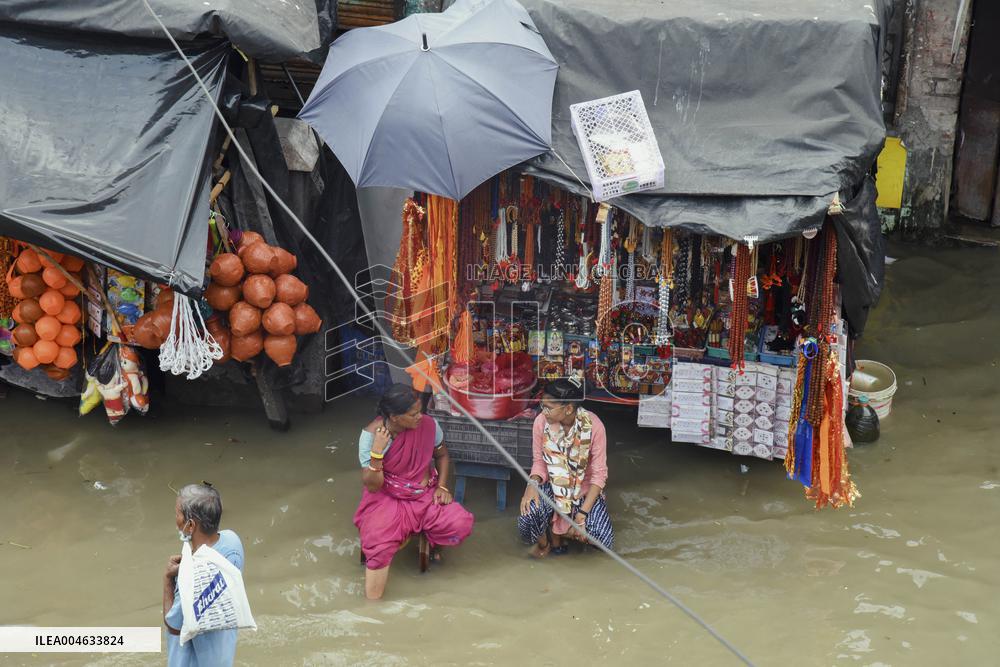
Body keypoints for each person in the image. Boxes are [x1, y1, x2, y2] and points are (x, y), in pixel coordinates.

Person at [354, 383, 474, 599]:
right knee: (378, 541)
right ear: (395, 417)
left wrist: (443, 486)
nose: (420, 417)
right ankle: (372, 607)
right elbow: (373, 485)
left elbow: (442, 455)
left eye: (420, 411)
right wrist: (377, 452)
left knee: (460, 522)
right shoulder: (371, 437)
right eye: (413, 414)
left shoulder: (429, 425)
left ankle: (433, 543)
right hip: (387, 497)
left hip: (424, 494)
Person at [518, 378, 614, 557]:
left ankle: (562, 531)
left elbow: (599, 475)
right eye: (542, 405)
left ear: (568, 408)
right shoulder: (541, 422)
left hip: (582, 489)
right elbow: (539, 461)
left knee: (603, 539)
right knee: (527, 515)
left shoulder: (594, 426)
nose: (543, 411)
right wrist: (531, 485)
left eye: (548, 407)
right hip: (552, 484)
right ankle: (545, 543)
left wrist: (582, 514)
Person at [163, 483, 244, 666]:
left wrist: (168, 578)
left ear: (190, 525)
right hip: (223, 656)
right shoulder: (233, 542)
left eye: (177, 514)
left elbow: (173, 627)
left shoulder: (189, 578)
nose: (175, 519)